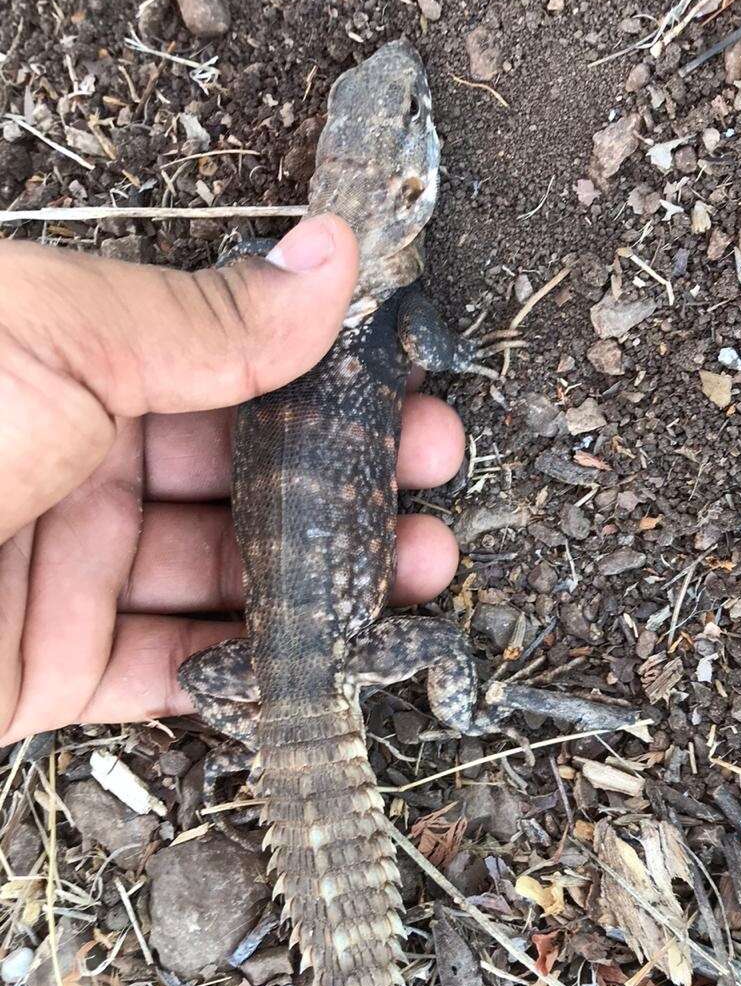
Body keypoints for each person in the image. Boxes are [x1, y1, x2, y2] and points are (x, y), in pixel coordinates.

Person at [0, 215, 466, 746]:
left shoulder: (286, 295)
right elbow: (433, 349)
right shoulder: (389, 303)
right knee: (442, 622)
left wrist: (260, 733)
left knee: (437, 633)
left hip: (311, 647)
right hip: (334, 641)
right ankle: (465, 719)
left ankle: (279, 740)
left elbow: (196, 679)